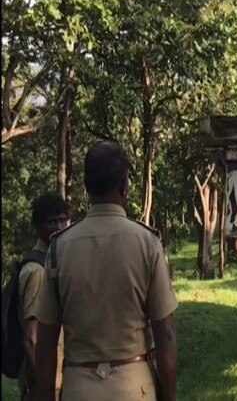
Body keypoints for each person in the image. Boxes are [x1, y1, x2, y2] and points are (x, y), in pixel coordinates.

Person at [32, 141, 178, 401]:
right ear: (125, 186)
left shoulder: (59, 249)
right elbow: (165, 334)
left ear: (87, 187)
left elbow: (45, 345)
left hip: (79, 389)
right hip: (135, 389)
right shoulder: (148, 243)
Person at [17, 192, 69, 401]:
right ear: (38, 226)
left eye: (62, 219)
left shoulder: (53, 261)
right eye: (51, 221)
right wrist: (41, 387)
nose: (58, 227)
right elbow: (32, 338)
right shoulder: (37, 270)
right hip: (49, 385)